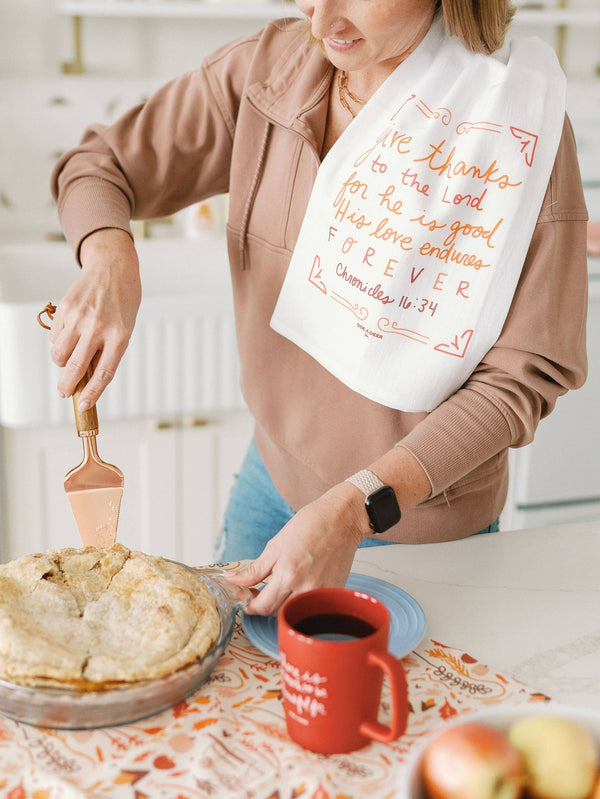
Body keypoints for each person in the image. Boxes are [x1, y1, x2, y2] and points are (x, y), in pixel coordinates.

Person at [49, 0, 588, 616]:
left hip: (420, 530)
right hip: (270, 481)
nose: (321, 17)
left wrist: (354, 506)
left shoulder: (520, 130)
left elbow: (521, 380)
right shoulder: (271, 72)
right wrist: (111, 258)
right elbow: (99, 165)